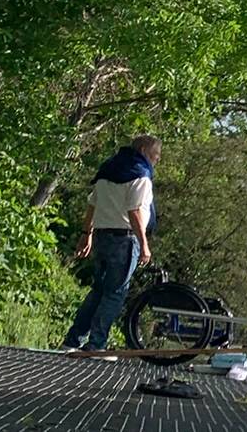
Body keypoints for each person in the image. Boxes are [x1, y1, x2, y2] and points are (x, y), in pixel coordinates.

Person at [61, 135, 161, 358]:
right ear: (144, 150)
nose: (156, 161)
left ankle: (73, 339)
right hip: (124, 238)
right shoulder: (140, 176)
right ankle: (97, 344)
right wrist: (144, 244)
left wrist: (86, 234)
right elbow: (134, 211)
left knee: (98, 290)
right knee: (115, 293)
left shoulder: (107, 170)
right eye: (156, 156)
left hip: (102, 236)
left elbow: (92, 204)